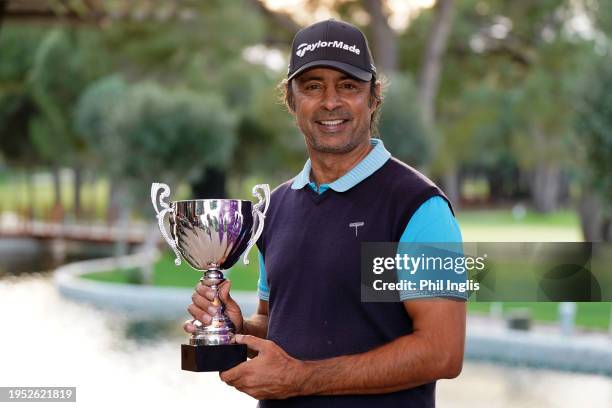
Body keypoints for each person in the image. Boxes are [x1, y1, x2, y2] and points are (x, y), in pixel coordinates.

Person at [185, 19, 466, 407]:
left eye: (348, 86)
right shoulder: (275, 210)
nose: (330, 101)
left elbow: (442, 351)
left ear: (373, 97)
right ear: (291, 99)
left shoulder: (417, 207)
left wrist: (300, 379)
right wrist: (239, 329)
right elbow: (280, 324)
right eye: (312, 86)